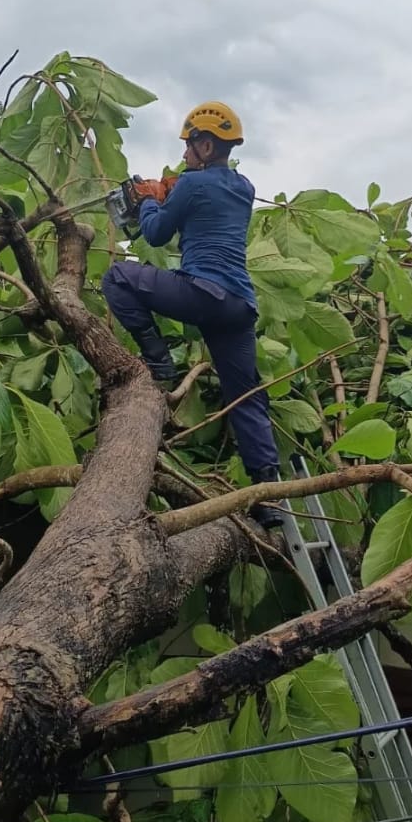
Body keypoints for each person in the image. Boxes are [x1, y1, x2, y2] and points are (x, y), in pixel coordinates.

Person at [101, 102, 285, 529]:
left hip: (203, 293)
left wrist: (150, 200)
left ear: (206, 146)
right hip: (238, 307)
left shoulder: (192, 184)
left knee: (117, 278)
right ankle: (270, 495)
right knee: (245, 397)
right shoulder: (243, 187)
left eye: (189, 146)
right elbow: (203, 205)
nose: (184, 154)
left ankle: (158, 361)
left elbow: (155, 234)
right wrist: (170, 193)